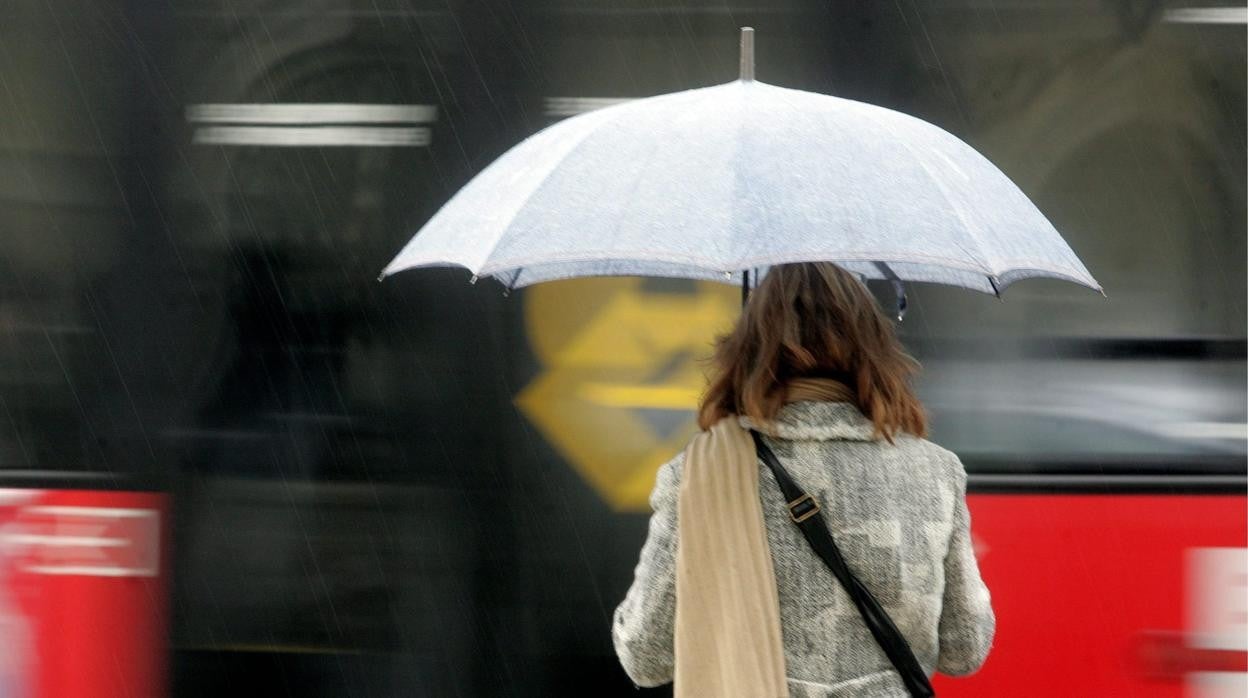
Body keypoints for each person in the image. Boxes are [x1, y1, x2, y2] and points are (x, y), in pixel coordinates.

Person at [611, 262, 995, 696]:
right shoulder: (935, 470)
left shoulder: (699, 473)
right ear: (873, 348)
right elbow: (965, 649)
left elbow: (645, 656)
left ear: (749, 349)